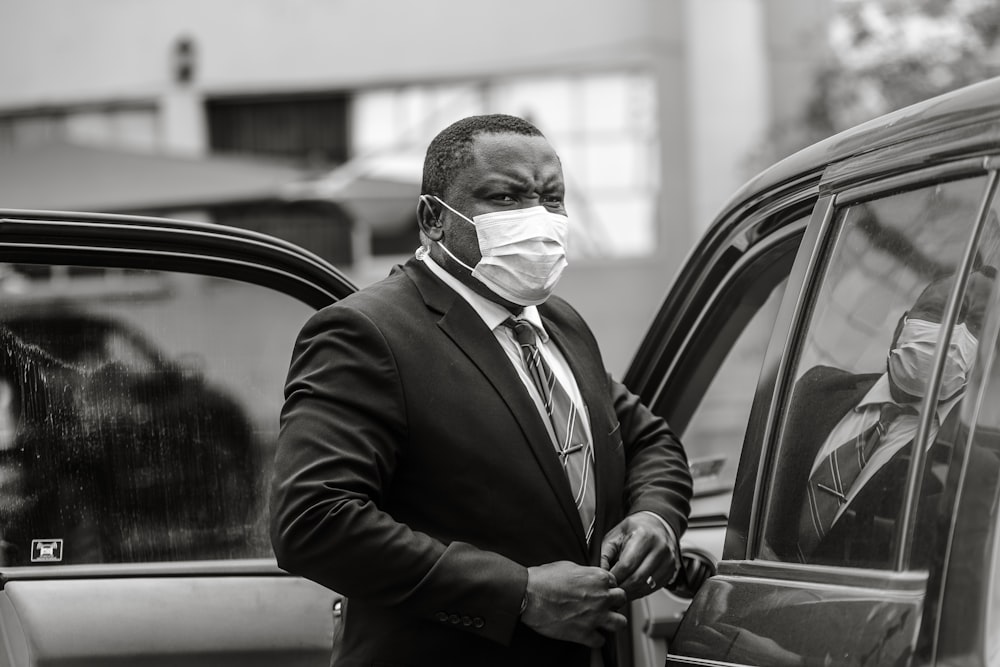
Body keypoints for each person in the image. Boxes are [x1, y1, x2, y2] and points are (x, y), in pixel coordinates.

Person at [269, 114, 692, 667]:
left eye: (552, 198)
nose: (537, 218)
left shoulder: (558, 324)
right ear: (432, 219)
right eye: (507, 198)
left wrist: (656, 517)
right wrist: (518, 594)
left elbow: (646, 441)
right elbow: (313, 518)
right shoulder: (366, 333)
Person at [766, 270, 989, 567]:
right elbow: (746, 521)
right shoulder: (814, 392)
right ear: (901, 327)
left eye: (975, 325)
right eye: (938, 311)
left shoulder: (973, 471)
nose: (952, 333)